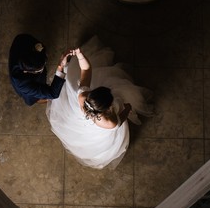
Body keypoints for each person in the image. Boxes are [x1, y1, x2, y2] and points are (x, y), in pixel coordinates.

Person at [46, 36, 153, 169]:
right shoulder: (111, 122)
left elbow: (85, 69)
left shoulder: (83, 96)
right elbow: (122, 115)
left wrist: (79, 56)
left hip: (82, 116)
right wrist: (128, 107)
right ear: (108, 107)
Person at [8, 33, 73, 106]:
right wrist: (60, 67)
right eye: (39, 70)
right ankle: (39, 99)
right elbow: (53, 94)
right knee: (35, 97)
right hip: (28, 86)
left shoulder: (22, 40)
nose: (42, 70)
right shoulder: (22, 84)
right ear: (27, 71)